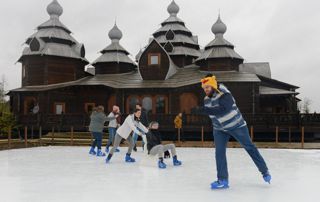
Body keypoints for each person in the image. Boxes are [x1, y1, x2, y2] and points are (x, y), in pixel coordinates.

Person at [200, 74, 271, 189]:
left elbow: (224, 109)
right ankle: (223, 180)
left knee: (249, 147)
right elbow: (211, 114)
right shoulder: (206, 100)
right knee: (219, 153)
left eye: (207, 87)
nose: (205, 90)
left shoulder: (224, 93)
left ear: (213, 85)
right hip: (219, 129)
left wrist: (204, 110)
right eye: (204, 88)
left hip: (236, 126)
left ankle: (265, 171)